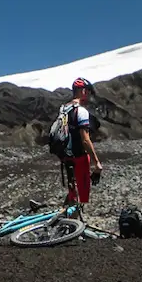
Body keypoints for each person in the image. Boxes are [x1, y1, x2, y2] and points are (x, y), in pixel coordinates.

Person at [58, 78, 103, 215]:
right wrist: (97, 162)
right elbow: (85, 139)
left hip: (66, 157)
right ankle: (73, 227)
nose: (89, 95)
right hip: (79, 157)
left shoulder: (64, 109)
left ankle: (67, 224)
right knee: (82, 196)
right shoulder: (81, 111)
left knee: (73, 191)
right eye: (88, 92)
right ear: (83, 91)